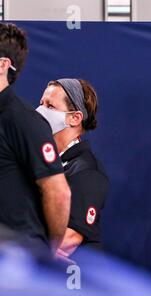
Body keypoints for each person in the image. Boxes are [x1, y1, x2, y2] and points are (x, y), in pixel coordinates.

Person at [0, 23, 71, 254]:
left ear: (2, 65)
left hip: (18, 259)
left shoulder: (22, 119)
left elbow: (58, 193)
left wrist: (47, 254)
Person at [36, 78, 109, 259]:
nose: (39, 112)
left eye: (50, 107)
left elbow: (68, 240)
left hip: (68, 280)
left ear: (75, 118)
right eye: (41, 104)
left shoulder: (88, 172)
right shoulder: (40, 160)